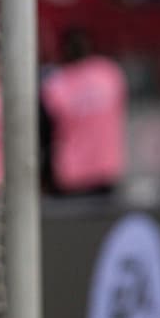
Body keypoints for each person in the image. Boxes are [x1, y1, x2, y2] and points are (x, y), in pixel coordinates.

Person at [40, 27, 127, 196]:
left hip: (75, 172)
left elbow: (46, 131)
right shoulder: (109, 72)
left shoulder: (56, 84)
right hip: (101, 168)